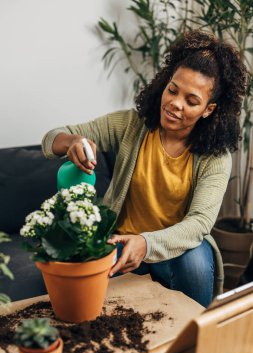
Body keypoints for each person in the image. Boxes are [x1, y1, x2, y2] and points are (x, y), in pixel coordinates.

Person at [42, 30, 248, 307]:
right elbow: (52, 136)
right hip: (120, 245)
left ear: (208, 109)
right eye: (173, 90)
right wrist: (72, 141)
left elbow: (199, 223)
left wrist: (146, 243)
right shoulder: (131, 125)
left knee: (196, 258)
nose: (175, 103)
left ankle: (192, 341)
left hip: (175, 252)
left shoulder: (215, 157)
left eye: (191, 101)